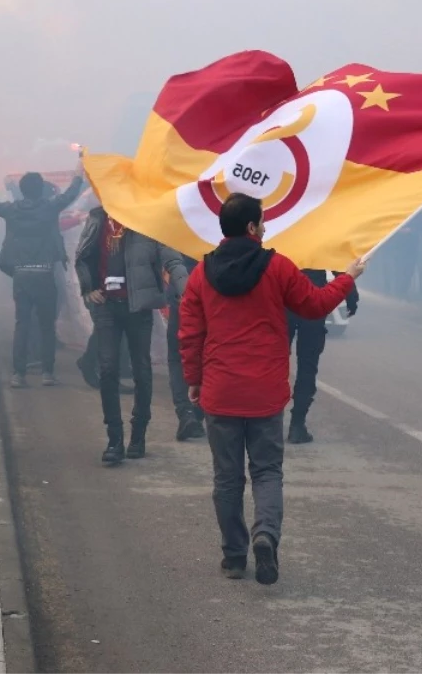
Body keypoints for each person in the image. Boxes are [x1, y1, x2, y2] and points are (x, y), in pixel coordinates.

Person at [178, 193, 365, 585]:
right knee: (266, 472)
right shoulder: (277, 267)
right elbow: (314, 305)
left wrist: (194, 380)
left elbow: (190, 334)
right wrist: (347, 277)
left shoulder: (201, 274)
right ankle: (266, 535)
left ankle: (233, 557)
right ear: (251, 228)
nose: (265, 227)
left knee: (227, 479)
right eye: (262, 221)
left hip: (221, 389)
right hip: (264, 391)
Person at [74, 207, 189, 464]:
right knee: (108, 369)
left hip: (138, 309)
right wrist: (88, 287)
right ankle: (114, 440)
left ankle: (138, 435)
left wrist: (187, 291)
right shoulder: (96, 218)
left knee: (142, 371)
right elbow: (82, 256)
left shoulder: (146, 221)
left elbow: (173, 260)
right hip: (105, 306)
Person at [0, 159, 85, 388]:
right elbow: (71, 194)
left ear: (23, 190)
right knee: (47, 326)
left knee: (22, 324)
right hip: (45, 274)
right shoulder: (49, 207)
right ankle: (47, 373)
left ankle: (18, 374)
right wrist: (79, 172)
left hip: (21, 275)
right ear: (42, 190)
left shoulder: (12, 210)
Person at [286, 269, 359, 443]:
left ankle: (269, 421)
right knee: (307, 366)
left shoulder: (280, 241)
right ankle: (297, 425)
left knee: (275, 362)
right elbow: (338, 262)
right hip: (313, 300)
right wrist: (351, 295)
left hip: (284, 299)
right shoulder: (317, 240)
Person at [167, 255, 207, 442]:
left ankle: (186, 413)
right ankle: (197, 411)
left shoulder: (183, 226)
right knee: (207, 351)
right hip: (214, 285)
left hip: (182, 284)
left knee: (178, 355)